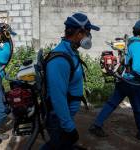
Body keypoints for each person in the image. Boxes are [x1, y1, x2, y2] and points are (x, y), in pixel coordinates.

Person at [40, 13, 100, 150]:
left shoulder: (70, 52)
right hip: (58, 118)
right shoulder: (60, 59)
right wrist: (69, 127)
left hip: (63, 116)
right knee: (58, 145)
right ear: (79, 33)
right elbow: (57, 97)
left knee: (59, 145)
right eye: (88, 32)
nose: (89, 36)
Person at [89, 19, 140, 141]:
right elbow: (137, 67)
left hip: (124, 79)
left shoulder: (132, 42)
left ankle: (96, 125)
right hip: (133, 82)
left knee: (111, 103)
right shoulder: (139, 45)